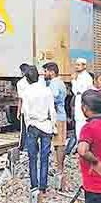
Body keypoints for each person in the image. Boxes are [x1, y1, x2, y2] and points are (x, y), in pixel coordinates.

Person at [22, 66, 56, 203]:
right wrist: (53, 126)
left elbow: (25, 110)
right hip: (46, 126)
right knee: (44, 157)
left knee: (32, 157)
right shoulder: (47, 90)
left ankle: (34, 185)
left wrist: (28, 125)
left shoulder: (26, 91)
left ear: (27, 79)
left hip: (33, 125)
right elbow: (52, 110)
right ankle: (43, 186)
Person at [42, 62, 68, 191]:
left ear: (52, 71)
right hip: (60, 116)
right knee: (59, 143)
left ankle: (59, 170)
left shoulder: (54, 83)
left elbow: (54, 96)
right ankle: (59, 168)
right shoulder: (59, 82)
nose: (44, 74)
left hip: (57, 117)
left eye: (46, 71)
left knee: (59, 144)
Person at [73, 58, 94, 138]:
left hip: (83, 102)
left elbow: (78, 91)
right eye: (76, 65)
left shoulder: (86, 77)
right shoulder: (80, 76)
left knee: (81, 124)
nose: (76, 67)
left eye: (78, 65)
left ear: (84, 66)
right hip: (79, 102)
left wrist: (73, 81)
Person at [16, 63, 32, 151]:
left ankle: (24, 146)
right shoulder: (35, 81)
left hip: (25, 109)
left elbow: (20, 99)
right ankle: (32, 146)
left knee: (24, 129)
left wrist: (18, 111)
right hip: (33, 109)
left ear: (22, 72)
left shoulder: (20, 83)